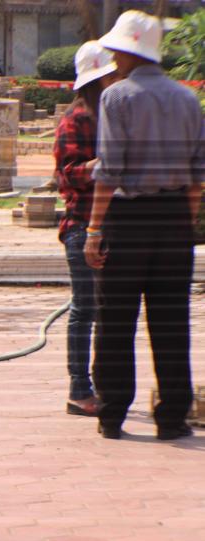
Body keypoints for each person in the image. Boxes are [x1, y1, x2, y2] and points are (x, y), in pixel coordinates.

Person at [84, 10, 203, 440]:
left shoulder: (117, 98)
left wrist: (95, 230)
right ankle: (171, 417)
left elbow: (110, 171)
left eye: (116, 51)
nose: (113, 58)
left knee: (115, 321)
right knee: (171, 322)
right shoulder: (187, 98)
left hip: (129, 220)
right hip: (173, 221)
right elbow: (197, 175)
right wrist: (182, 224)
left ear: (127, 52)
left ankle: (112, 413)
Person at [53, 41, 121, 418]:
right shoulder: (77, 120)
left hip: (111, 222)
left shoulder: (110, 115)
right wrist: (107, 164)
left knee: (106, 310)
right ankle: (79, 389)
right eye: (110, 76)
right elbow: (69, 176)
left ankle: (101, 382)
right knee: (85, 309)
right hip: (82, 225)